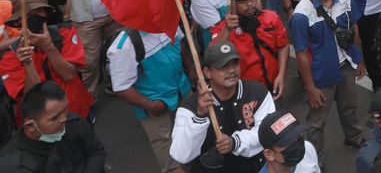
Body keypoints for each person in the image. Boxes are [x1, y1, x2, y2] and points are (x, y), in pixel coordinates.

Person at [289, 0, 366, 162]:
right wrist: (311, 88)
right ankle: (316, 159)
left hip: (346, 64)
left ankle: (354, 137)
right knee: (316, 122)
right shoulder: (301, 15)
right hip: (322, 74)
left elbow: (354, 27)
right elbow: (301, 53)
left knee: (350, 105)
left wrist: (359, 59)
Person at [169, 41, 275, 173]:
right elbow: (181, 155)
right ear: (207, 72)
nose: (231, 70)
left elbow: (269, 132)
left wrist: (235, 142)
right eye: (223, 66)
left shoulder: (257, 92)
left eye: (235, 63)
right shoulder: (189, 107)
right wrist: (200, 117)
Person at [107, 27, 192, 173]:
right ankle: (172, 169)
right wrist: (150, 105)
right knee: (162, 139)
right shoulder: (123, 46)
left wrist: (191, 69)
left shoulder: (168, 22)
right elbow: (121, 87)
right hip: (154, 102)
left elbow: (180, 44)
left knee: (192, 125)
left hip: (182, 88)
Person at [0, 0, 93, 121]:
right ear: (17, 22)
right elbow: (32, 95)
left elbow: (69, 75)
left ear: (46, 14)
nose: (33, 17)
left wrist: (48, 46)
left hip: (78, 113)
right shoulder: (10, 56)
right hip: (41, 124)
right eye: (27, 14)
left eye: (38, 11)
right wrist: (28, 63)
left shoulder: (65, 32)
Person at [210, 0, 290, 98]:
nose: (249, 4)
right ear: (232, 4)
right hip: (245, 94)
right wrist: (227, 29)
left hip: (273, 86)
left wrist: (281, 75)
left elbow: (283, 46)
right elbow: (213, 57)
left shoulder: (271, 17)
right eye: (242, 1)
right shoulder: (222, 29)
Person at [0, 81, 106, 172]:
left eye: (65, 109)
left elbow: (96, 151)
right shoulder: (14, 165)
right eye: (55, 118)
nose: (64, 118)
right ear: (31, 125)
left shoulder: (73, 122)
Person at [257, 111, 322, 173]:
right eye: (289, 143)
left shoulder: (308, 148)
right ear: (269, 154)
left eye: (299, 137)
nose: (297, 145)